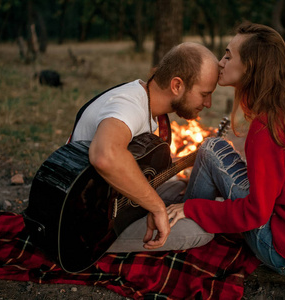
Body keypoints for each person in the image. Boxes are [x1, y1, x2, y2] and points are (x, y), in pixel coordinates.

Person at [167, 22, 285, 276]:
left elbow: (256, 213)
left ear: (250, 68)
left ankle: (180, 224)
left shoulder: (267, 127)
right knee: (214, 147)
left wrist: (191, 209)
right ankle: (186, 214)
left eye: (228, 56)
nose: (220, 62)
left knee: (210, 150)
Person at [70, 42, 218, 252]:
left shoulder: (146, 101)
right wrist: (157, 207)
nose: (209, 103)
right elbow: (104, 156)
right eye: (205, 94)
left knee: (181, 189)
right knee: (201, 229)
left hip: (116, 201)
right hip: (87, 224)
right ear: (177, 86)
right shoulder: (128, 105)